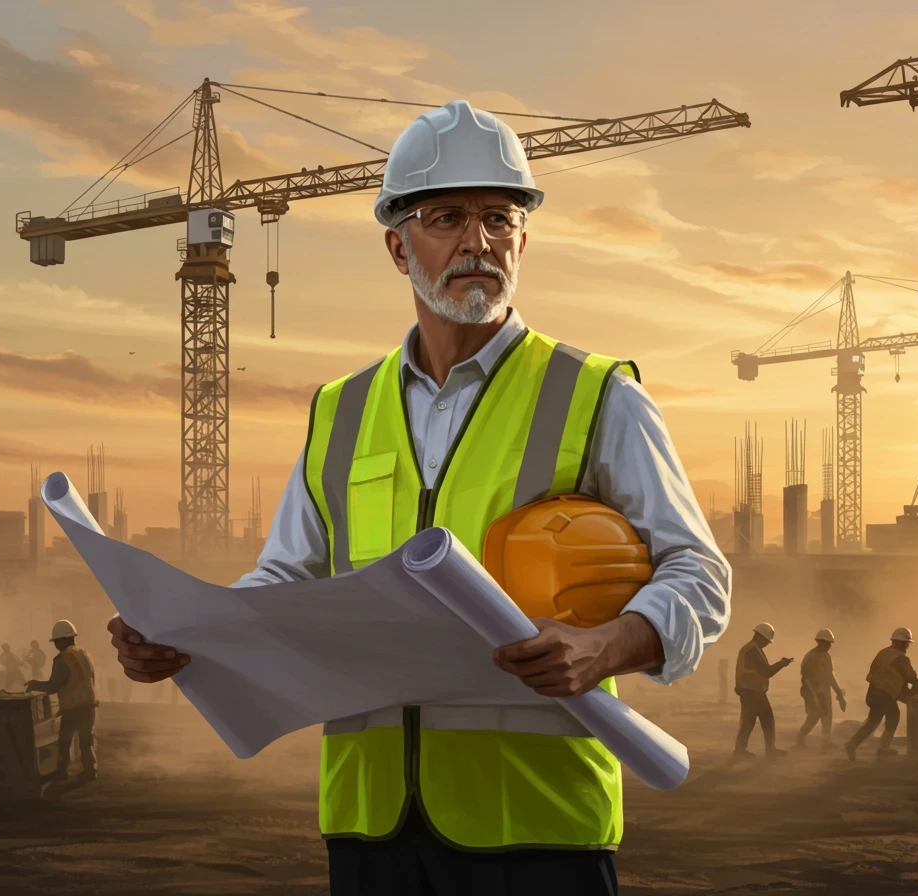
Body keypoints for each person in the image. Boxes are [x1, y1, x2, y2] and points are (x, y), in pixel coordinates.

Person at [106, 99, 731, 896]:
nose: (479, 241)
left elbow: (698, 576)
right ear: (398, 248)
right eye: (447, 218)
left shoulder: (596, 394)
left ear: (524, 241)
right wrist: (191, 634)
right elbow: (287, 583)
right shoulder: (340, 411)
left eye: (499, 219)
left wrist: (604, 646)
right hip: (370, 824)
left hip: (535, 823)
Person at [27, 620, 98, 782]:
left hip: (73, 707)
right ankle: (91, 771)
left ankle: (61, 772)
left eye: (56, 641)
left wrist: (34, 684)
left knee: (64, 741)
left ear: (64, 639)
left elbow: (52, 686)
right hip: (89, 704)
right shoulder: (84, 654)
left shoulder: (62, 659)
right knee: (86, 740)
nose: (55, 644)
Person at [845, 627, 918, 760]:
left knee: (873, 721)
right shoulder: (900, 658)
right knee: (894, 716)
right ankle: (883, 748)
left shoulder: (883, 653)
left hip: (873, 693)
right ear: (901, 643)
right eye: (907, 643)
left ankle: (852, 744)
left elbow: (887, 674)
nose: (907, 646)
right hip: (884, 695)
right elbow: (910, 677)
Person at [732, 623, 793, 760]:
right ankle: (767, 750)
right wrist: (782, 664)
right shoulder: (753, 650)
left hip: (750, 690)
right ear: (760, 637)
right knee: (766, 719)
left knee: (749, 721)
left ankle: (740, 750)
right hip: (751, 691)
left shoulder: (752, 648)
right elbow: (767, 672)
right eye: (766, 641)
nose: (767, 644)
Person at [797, 628, 846, 749]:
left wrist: (839, 693)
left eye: (830, 643)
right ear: (819, 642)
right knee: (814, 717)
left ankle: (826, 742)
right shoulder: (811, 657)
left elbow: (830, 676)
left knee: (827, 717)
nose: (829, 645)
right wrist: (814, 696)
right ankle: (799, 738)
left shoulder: (826, 657)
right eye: (827, 643)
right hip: (812, 691)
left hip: (824, 691)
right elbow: (806, 678)